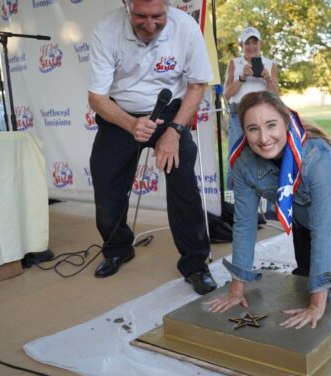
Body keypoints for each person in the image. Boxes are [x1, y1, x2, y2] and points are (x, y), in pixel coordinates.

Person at [208, 91, 331, 329]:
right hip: (299, 202)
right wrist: (236, 288)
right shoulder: (242, 165)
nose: (264, 138)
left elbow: (325, 229)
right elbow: (244, 225)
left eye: (271, 125)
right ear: (244, 131)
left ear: (286, 122)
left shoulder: (316, 156)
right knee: (305, 274)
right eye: (253, 129)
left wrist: (317, 305)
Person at [87, 0, 217, 295]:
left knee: (183, 183)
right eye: (140, 16)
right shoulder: (106, 30)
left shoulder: (186, 28)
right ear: (126, 5)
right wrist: (131, 125)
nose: (149, 24)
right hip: (120, 113)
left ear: (168, 6)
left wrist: (174, 131)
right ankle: (118, 248)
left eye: (158, 16)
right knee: (106, 186)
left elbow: (197, 85)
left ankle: (195, 264)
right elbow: (97, 97)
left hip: (170, 112)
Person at [224, 26, 279, 189]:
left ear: (260, 44)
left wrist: (269, 80)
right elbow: (226, 94)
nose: (251, 46)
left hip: (264, 117)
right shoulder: (234, 63)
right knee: (235, 158)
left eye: (255, 42)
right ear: (241, 45)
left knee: (266, 156)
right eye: (247, 42)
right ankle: (231, 201)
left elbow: (277, 96)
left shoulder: (270, 65)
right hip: (238, 115)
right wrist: (242, 77)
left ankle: (267, 202)